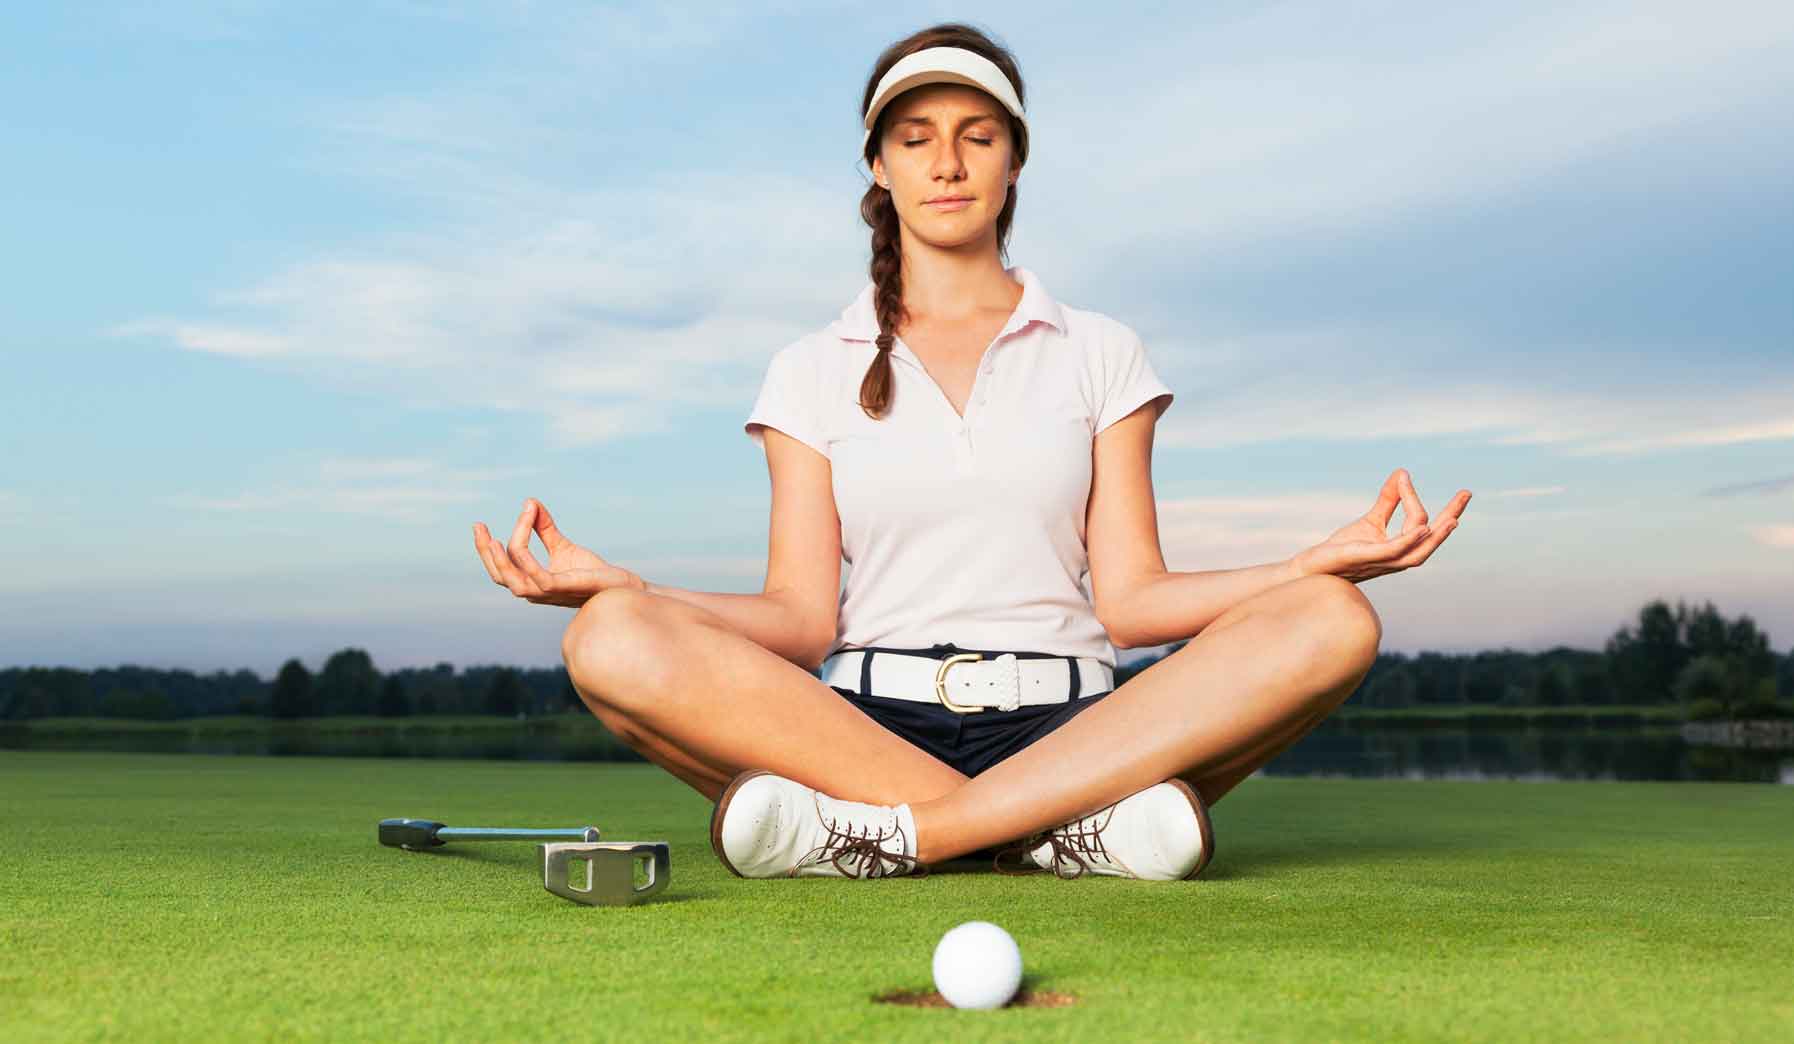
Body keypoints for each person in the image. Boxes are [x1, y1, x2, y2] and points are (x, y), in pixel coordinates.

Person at [471, 23, 1469, 882]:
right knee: (606, 637)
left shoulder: (1098, 350)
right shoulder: (809, 367)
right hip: (861, 732)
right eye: (916, 140)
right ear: (878, 164)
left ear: (1012, 161)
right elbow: (797, 619)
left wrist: (1299, 569)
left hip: (1075, 727)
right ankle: (1059, 835)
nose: (945, 163)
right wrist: (634, 588)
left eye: (974, 137)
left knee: (1332, 618)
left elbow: (1130, 605)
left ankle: (904, 840)